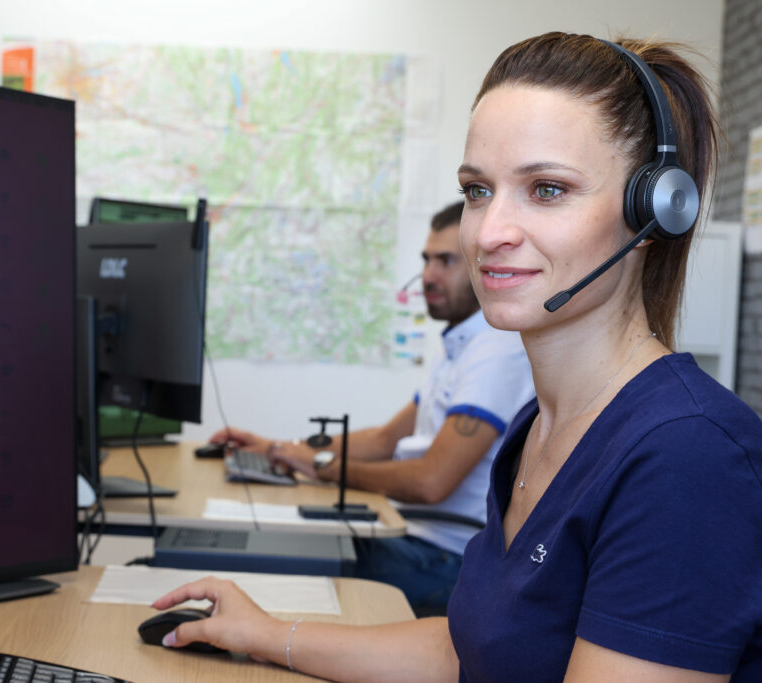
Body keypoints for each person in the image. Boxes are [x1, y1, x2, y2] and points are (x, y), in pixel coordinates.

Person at [151, 32, 762, 681]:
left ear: (653, 213)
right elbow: (465, 650)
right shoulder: (537, 426)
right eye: (477, 190)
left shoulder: (689, 456)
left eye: (547, 189)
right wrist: (269, 634)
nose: (490, 232)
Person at [210, 199, 535, 614]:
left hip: (447, 560)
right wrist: (281, 448)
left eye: (446, 261)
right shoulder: (462, 346)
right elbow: (385, 439)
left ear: (484, 266)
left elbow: (431, 481)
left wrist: (322, 467)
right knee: (282, 553)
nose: (428, 276)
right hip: (415, 537)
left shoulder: (495, 353)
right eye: (427, 260)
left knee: (282, 564)